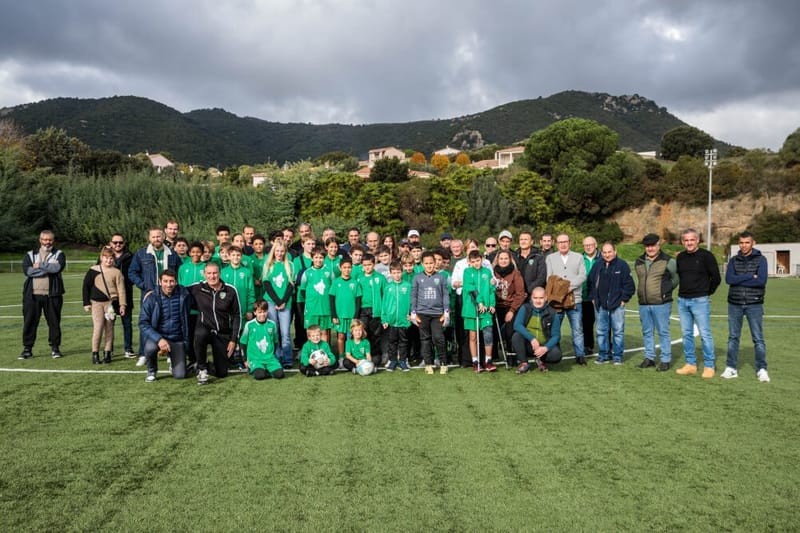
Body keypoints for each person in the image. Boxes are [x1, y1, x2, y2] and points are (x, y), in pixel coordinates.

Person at [128, 227, 182, 364]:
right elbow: (132, 272)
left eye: (159, 236)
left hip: (169, 293)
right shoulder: (141, 254)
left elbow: (179, 273)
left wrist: (175, 287)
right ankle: (144, 353)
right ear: (149, 238)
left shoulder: (172, 254)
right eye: (153, 237)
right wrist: (145, 287)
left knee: (170, 321)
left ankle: (170, 352)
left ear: (163, 237)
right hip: (149, 294)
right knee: (147, 322)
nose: (156, 239)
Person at [721, 231, 769, 383]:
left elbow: (761, 281)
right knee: (733, 337)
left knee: (758, 339)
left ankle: (761, 369)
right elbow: (729, 279)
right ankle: (731, 368)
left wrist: (739, 279)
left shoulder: (761, 259)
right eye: (741, 243)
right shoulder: (734, 260)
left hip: (754, 303)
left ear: (753, 243)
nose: (744, 245)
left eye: (747, 242)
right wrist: (750, 276)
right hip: (734, 303)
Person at [675, 228, 721, 379]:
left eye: (692, 240)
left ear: (697, 240)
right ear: (683, 242)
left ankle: (709, 365)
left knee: (705, 334)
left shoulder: (706, 256)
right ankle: (690, 364)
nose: (689, 243)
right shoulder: (680, 257)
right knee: (686, 334)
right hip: (682, 301)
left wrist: (707, 293)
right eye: (686, 240)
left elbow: (716, 278)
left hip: (700, 301)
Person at [188, 262, 242, 385]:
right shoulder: (197, 288)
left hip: (222, 333)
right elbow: (177, 289)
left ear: (220, 273)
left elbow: (237, 315)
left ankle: (205, 364)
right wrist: (153, 291)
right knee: (200, 333)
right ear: (204, 274)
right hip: (204, 329)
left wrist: (233, 339)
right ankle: (202, 368)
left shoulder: (230, 290)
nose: (212, 276)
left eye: (215, 273)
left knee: (222, 373)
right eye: (209, 273)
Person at [634, 233, 678, 371]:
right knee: (647, 332)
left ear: (659, 245)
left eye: (653, 245)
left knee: (663, 332)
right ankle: (650, 358)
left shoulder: (668, 261)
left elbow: (676, 278)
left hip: (662, 303)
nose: (650, 248)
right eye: (647, 246)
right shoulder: (639, 261)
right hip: (644, 303)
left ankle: (665, 360)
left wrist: (666, 289)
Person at [139, 269, 193, 382]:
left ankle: (174, 364)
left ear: (176, 282)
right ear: (160, 282)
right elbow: (143, 323)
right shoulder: (151, 298)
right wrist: (159, 339)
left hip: (177, 338)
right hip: (158, 337)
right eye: (165, 281)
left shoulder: (185, 294)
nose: (169, 284)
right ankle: (152, 370)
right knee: (150, 348)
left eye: (172, 281)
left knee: (180, 375)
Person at [20, 230, 66, 359]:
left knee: (54, 323)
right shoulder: (30, 254)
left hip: (53, 295)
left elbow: (57, 268)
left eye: (50, 239)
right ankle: (27, 349)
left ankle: (55, 348)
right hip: (32, 295)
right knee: (29, 322)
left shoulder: (59, 254)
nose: (47, 242)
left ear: (53, 240)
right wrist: (48, 269)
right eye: (45, 239)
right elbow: (28, 271)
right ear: (40, 240)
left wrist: (39, 265)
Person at [588, 242, 635, 365]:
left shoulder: (622, 265)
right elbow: (590, 283)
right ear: (601, 253)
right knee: (601, 331)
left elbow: (630, 286)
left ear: (615, 251)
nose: (607, 254)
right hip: (600, 305)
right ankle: (604, 355)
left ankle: (617, 356)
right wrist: (593, 297)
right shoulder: (597, 265)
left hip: (617, 305)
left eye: (609, 252)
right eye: (604, 252)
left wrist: (623, 300)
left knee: (618, 331)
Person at [545, 233, 587, 365]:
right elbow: (549, 278)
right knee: (554, 329)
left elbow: (582, 276)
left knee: (577, 329)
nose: (563, 244)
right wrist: (559, 290)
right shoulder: (550, 258)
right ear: (556, 244)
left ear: (569, 242)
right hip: (557, 301)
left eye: (565, 242)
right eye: (560, 242)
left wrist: (569, 287)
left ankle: (580, 355)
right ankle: (554, 353)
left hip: (575, 299)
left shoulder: (579, 257)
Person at [82, 247, 127, 364]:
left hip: (111, 304)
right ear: (101, 257)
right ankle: (95, 353)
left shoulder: (117, 272)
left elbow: (121, 290)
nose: (108, 260)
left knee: (109, 329)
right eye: (106, 258)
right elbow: (86, 287)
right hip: (96, 303)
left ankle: (107, 353)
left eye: (111, 258)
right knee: (98, 328)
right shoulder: (93, 270)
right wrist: (86, 303)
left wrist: (122, 305)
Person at [411, 251, 450, 375]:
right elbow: (414, 296)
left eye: (431, 263)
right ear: (422, 264)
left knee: (439, 338)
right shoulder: (417, 277)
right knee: (425, 339)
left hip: (437, 314)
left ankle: (443, 363)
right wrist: (413, 312)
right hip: (422, 313)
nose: (429, 266)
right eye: (426, 263)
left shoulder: (441, 277)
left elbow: (445, 295)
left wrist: (446, 312)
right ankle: (428, 363)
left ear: (435, 263)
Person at [512, 287, 563, 373]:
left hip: (544, 345)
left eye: (541, 298)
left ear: (546, 298)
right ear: (531, 298)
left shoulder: (552, 313)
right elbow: (517, 325)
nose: (538, 301)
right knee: (516, 336)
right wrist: (532, 338)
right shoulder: (525, 308)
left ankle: (541, 361)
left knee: (556, 355)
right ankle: (524, 363)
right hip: (529, 345)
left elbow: (556, 336)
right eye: (535, 298)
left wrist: (545, 348)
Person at [262, 240, 295, 369]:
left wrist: (283, 301)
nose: (280, 253)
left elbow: (291, 285)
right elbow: (266, 284)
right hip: (271, 302)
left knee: (285, 333)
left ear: (285, 252)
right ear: (273, 252)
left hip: (285, 303)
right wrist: (277, 301)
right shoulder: (268, 265)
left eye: (282, 251)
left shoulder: (290, 265)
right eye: (277, 251)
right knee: (273, 331)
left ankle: (287, 359)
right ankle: (275, 357)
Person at [462, 250, 497, 373]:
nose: (476, 263)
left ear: (482, 259)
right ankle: (475, 361)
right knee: (473, 336)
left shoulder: (487, 272)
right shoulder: (467, 272)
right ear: (469, 262)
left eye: (478, 260)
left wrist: (492, 304)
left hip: (486, 309)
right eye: (473, 261)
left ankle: (488, 361)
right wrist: (479, 302)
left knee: (488, 335)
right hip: (471, 309)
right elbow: (470, 288)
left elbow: (492, 289)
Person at [493, 249, 526, 361]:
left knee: (509, 331)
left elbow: (520, 294)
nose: (503, 261)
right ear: (497, 260)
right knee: (492, 330)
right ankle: (493, 357)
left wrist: (512, 311)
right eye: (501, 258)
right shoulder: (492, 273)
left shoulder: (515, 273)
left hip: (510, 306)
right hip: (495, 306)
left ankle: (511, 355)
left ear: (510, 260)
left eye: (506, 258)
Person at [240, 300, 285, 380]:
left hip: (269, 359)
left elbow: (275, 342)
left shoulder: (272, 324)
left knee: (280, 374)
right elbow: (243, 343)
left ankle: (266, 369)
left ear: (267, 311)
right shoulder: (249, 325)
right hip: (255, 359)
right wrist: (245, 360)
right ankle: (258, 370)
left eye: (264, 312)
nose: (262, 314)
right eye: (260, 312)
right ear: (255, 312)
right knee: (259, 375)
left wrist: (272, 355)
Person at [108, 233, 136, 358]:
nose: (118, 244)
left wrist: (128, 283)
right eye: (115, 242)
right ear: (110, 243)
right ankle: (109, 349)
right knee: (109, 323)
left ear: (124, 243)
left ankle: (128, 349)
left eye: (120, 242)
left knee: (127, 324)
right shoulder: (105, 256)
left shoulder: (130, 256)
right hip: (109, 296)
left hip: (126, 294)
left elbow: (135, 272)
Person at [298, 247, 333, 344]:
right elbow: (303, 291)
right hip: (311, 308)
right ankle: (312, 353)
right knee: (311, 332)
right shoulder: (307, 273)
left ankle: (324, 353)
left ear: (324, 258)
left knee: (324, 332)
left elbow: (332, 289)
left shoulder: (329, 272)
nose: (318, 260)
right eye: (316, 257)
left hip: (325, 308)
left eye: (321, 257)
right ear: (312, 258)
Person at [382, 260, 412, 372]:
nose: (396, 275)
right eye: (394, 272)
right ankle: (393, 361)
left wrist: (411, 315)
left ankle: (403, 361)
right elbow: (384, 304)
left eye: (398, 272)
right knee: (392, 341)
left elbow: (412, 303)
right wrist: (384, 319)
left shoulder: (408, 286)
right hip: (391, 321)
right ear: (390, 273)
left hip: (404, 320)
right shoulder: (387, 287)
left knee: (404, 341)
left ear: (402, 272)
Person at [329, 257, 362, 358]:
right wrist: (334, 316)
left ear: (351, 268)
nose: (347, 269)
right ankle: (341, 357)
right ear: (340, 268)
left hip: (351, 316)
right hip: (340, 315)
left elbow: (358, 301)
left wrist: (355, 316)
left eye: (349, 267)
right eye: (344, 267)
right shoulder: (336, 282)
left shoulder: (355, 283)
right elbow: (331, 299)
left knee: (352, 337)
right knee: (341, 336)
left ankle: (352, 357)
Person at [357, 253, 385, 364]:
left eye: (369, 264)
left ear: (374, 264)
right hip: (363, 310)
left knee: (376, 334)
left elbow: (385, 295)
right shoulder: (359, 278)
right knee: (363, 332)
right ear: (362, 266)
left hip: (376, 310)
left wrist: (383, 311)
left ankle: (375, 355)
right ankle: (363, 356)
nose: (367, 267)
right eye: (365, 265)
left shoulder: (380, 278)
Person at [581, 236, 599, 355]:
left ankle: (607, 346)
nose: (588, 247)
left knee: (604, 323)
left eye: (590, 244)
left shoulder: (603, 258)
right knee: (586, 323)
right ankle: (588, 346)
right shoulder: (579, 259)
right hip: (584, 297)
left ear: (596, 245)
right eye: (586, 245)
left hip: (599, 298)